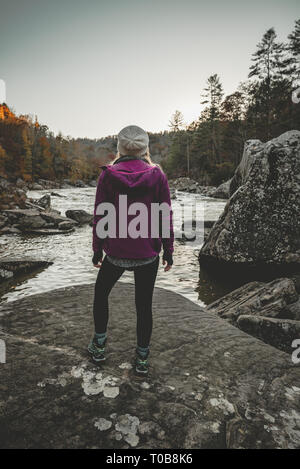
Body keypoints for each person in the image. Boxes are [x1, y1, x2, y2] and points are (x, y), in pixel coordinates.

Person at [88, 125, 174, 375]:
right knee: (144, 305)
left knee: (101, 294)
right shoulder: (157, 175)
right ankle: (142, 359)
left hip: (116, 252)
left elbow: (100, 216)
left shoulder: (108, 175)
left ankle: (100, 346)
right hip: (148, 254)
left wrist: (97, 250)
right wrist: (168, 251)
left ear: (119, 148)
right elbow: (164, 216)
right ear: (145, 149)